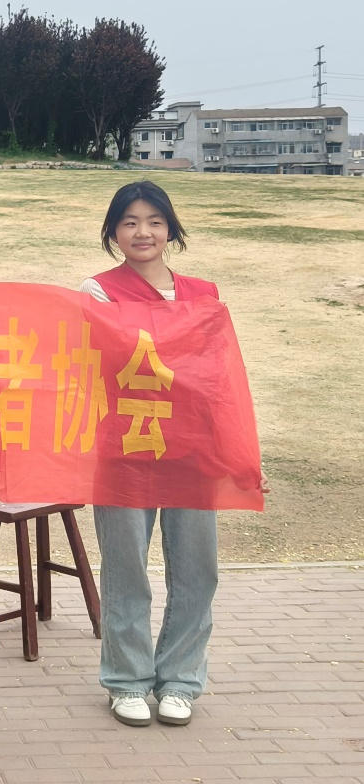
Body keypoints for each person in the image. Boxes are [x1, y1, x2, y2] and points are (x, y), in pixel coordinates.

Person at [81, 180, 266, 728]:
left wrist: (240, 456)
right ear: (114, 232)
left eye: (155, 221)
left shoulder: (203, 295)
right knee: (126, 572)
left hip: (193, 453)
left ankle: (181, 680)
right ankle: (127, 681)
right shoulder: (97, 292)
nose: (143, 232)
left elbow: (220, 383)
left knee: (196, 572)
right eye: (130, 222)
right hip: (125, 450)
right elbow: (92, 363)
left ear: (170, 229)